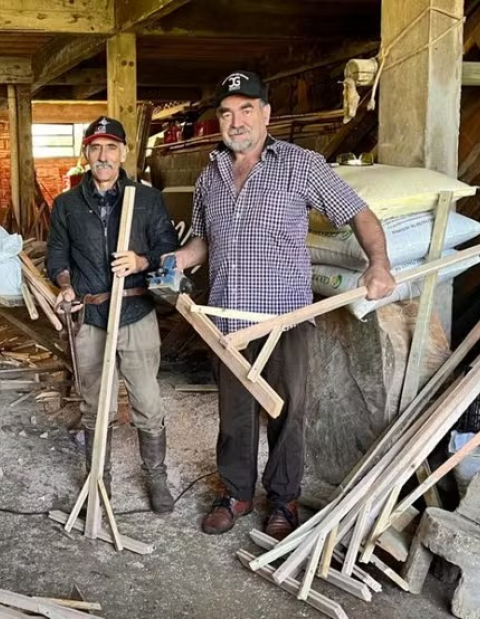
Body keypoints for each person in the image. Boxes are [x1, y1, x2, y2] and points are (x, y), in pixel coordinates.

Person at [169, 70, 397, 540]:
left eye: (246, 110)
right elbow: (203, 241)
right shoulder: (209, 176)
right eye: (226, 113)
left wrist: (379, 263)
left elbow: (358, 213)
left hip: (284, 318)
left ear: (266, 114)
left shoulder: (301, 165)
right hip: (227, 320)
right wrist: (178, 260)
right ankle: (236, 493)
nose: (236, 121)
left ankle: (283, 500)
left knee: (288, 412)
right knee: (234, 414)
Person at [47, 116, 180, 513]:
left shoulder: (147, 199)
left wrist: (141, 261)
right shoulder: (67, 204)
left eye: (110, 148)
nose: (103, 156)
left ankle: (156, 477)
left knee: (148, 402)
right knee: (94, 405)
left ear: (123, 152)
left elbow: (168, 250)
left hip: (136, 311)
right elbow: (57, 254)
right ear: (85, 153)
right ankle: (98, 481)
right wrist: (65, 283)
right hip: (92, 316)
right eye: (95, 148)